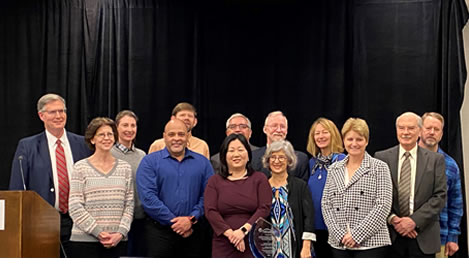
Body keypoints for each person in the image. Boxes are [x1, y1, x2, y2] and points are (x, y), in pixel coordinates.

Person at [9, 93, 92, 257]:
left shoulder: (83, 144)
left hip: (78, 223)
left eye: (62, 111)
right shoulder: (27, 146)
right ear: (41, 115)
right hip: (42, 223)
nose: (59, 116)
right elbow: (17, 190)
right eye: (53, 112)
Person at [136, 119, 214, 257]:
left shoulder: (203, 163)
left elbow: (209, 195)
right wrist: (176, 223)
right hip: (159, 234)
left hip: (194, 232)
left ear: (187, 137)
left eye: (181, 134)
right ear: (164, 136)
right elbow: (148, 197)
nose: (176, 138)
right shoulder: (149, 162)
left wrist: (191, 219)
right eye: (171, 134)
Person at [375, 112, 446, 257]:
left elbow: (439, 196)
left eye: (411, 128)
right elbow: (376, 194)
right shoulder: (382, 158)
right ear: (396, 131)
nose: (405, 132)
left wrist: (413, 221)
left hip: (422, 235)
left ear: (420, 131)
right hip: (391, 236)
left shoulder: (435, 160)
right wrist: (394, 219)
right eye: (401, 128)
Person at [322, 118, 392, 258]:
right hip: (339, 244)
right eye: (350, 139)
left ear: (366, 141)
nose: (354, 144)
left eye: (359, 139)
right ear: (343, 141)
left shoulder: (379, 167)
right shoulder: (334, 168)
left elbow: (383, 205)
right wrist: (340, 234)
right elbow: (326, 204)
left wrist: (356, 235)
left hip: (371, 244)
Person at [68, 117, 134, 258]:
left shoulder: (125, 168)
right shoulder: (80, 168)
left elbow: (129, 205)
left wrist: (120, 233)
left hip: (117, 242)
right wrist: (98, 232)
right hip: (85, 242)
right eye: (101, 135)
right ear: (92, 139)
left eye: (110, 134)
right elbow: (75, 206)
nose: (106, 138)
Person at [204, 134, 271, 258]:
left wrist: (243, 231)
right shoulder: (214, 181)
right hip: (223, 241)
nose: (236, 154)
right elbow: (210, 210)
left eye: (240, 150)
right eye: (231, 150)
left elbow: (264, 208)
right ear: (224, 155)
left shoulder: (259, 179)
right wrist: (231, 235)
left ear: (248, 154)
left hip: (253, 240)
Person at [418, 112, 463, 257]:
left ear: (442, 133)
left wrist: (453, 237)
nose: (432, 132)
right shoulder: (405, 160)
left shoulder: (450, 165)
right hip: (404, 236)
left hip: (439, 237)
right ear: (420, 130)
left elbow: (455, 204)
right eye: (428, 128)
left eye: (436, 129)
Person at [262, 140, 315, 258]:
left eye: (282, 157)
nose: (276, 161)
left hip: (295, 249)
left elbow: (309, 218)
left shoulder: (300, 186)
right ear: (268, 160)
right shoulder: (261, 186)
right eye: (273, 157)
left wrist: (306, 247)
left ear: (289, 160)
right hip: (267, 249)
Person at [306, 117, 346, 257]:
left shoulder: (342, 160)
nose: (321, 136)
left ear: (333, 134)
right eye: (317, 133)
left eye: (325, 132)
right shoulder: (312, 163)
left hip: (336, 228)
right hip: (315, 227)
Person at [110, 110, 147, 257]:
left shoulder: (142, 155)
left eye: (133, 125)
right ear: (116, 128)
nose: (129, 129)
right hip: (117, 220)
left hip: (140, 218)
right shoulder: (109, 153)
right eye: (125, 125)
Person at [251, 111, 309, 181]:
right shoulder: (252, 157)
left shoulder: (301, 159)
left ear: (286, 131)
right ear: (265, 129)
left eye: (282, 126)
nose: (279, 130)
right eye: (274, 126)